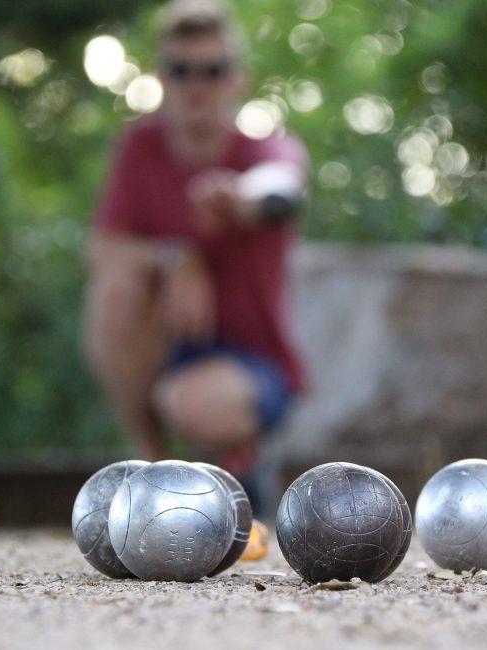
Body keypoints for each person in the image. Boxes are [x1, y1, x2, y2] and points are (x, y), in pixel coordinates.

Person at [82, 0, 308, 515]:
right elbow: (101, 249)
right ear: (162, 77)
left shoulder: (266, 152)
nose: (197, 83)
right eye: (182, 70)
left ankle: (240, 466)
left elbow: (282, 190)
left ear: (237, 80)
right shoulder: (140, 147)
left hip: (254, 368)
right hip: (169, 347)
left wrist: (240, 200)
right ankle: (153, 478)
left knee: (191, 404)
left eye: (213, 69)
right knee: (114, 289)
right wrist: (173, 255)